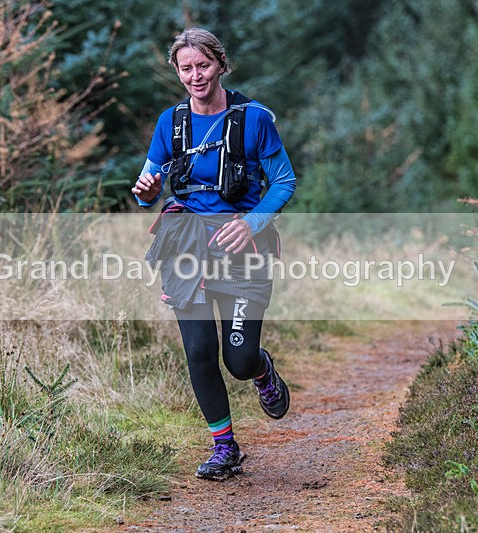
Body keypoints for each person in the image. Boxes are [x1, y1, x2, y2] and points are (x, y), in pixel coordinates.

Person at [131, 27, 296, 481]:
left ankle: (262, 372)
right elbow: (150, 186)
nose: (195, 75)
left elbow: (284, 181)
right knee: (200, 352)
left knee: (238, 360)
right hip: (184, 246)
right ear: (178, 72)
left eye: (203, 65)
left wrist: (251, 222)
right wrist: (147, 191)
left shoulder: (254, 119)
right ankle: (225, 448)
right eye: (186, 68)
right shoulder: (172, 123)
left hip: (243, 247)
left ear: (221, 64)